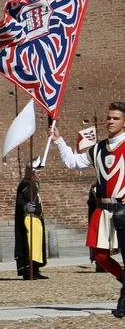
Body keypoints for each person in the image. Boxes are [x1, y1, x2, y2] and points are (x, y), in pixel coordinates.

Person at [53, 104, 125, 312]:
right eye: (109, 118)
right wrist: (59, 141)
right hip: (103, 209)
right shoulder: (97, 148)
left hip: (123, 208)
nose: (111, 121)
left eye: (116, 118)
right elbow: (73, 162)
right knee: (100, 256)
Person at [14, 163, 47, 280]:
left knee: (37, 246)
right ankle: (28, 271)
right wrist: (25, 206)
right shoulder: (25, 184)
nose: (39, 175)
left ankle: (36, 269)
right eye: (37, 173)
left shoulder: (34, 185)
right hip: (28, 219)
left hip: (37, 219)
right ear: (31, 173)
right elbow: (20, 201)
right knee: (30, 246)